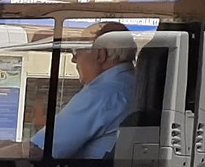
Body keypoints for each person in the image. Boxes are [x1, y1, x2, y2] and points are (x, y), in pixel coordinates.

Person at [37, 23, 141, 159]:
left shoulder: (102, 94)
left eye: (76, 51)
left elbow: (39, 150)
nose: (73, 60)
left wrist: (0, 151)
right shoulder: (133, 84)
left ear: (100, 54)